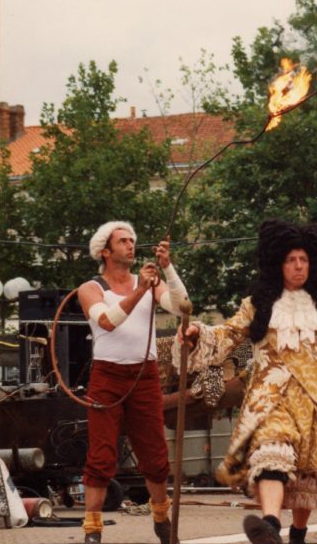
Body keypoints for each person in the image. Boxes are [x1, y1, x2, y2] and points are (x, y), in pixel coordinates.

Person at [175, 220, 317, 544]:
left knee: (308, 475)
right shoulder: (258, 304)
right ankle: (270, 524)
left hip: (315, 399)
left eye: (304, 260)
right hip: (270, 395)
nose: (299, 266)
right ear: (278, 263)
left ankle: (297, 535)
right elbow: (227, 334)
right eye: (291, 260)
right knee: (269, 450)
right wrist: (196, 334)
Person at [77, 221, 189, 544]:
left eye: (132, 240)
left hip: (145, 375)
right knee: (101, 456)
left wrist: (168, 269)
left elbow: (182, 306)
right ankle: (92, 530)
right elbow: (106, 322)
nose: (130, 245)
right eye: (122, 241)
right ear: (105, 251)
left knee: (155, 454)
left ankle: (161, 519)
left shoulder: (151, 284)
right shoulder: (91, 288)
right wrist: (141, 290)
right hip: (106, 376)